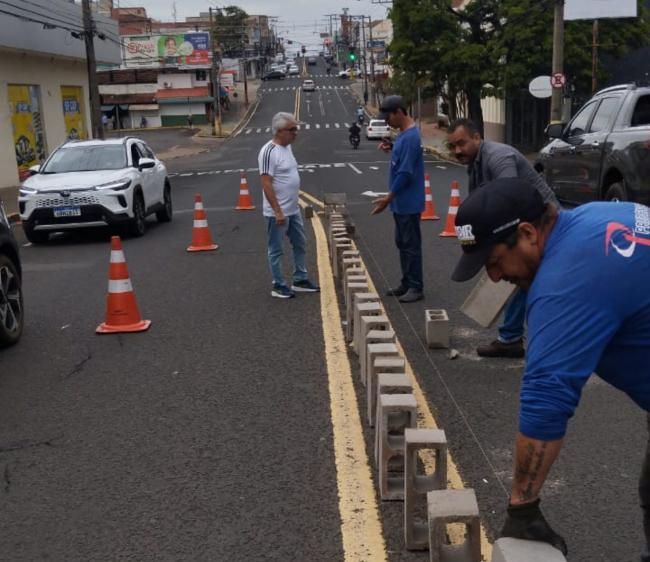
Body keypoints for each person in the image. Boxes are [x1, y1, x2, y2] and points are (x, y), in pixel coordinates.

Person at [451, 176, 650, 559]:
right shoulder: (597, 217)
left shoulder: (565, 282)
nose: (495, 277)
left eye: (495, 261)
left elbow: (546, 398)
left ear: (527, 233)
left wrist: (522, 508)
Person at [446, 118, 559, 359]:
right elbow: (480, 205)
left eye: (461, 143)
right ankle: (513, 337)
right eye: (452, 146)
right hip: (520, 223)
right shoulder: (475, 162)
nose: (457, 151)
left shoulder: (499, 158)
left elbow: (507, 201)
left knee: (521, 274)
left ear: (477, 137)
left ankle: (515, 338)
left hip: (540, 221)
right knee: (516, 276)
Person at [258, 112, 320, 299]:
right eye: (292, 129)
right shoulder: (268, 151)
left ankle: (300, 279)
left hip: (293, 210)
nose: (296, 133)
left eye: (296, 129)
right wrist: (277, 211)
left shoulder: (287, 147)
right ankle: (278, 285)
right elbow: (266, 183)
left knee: (300, 243)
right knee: (276, 249)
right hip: (277, 213)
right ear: (279, 131)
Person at [371, 95, 425, 303]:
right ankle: (406, 282)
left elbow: (405, 173)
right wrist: (392, 147)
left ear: (399, 112)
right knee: (402, 243)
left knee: (411, 245)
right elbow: (404, 158)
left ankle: (416, 287)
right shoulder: (403, 135)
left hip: (408, 202)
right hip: (401, 203)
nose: (387, 122)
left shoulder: (411, 137)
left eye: (388, 117)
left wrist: (388, 198)